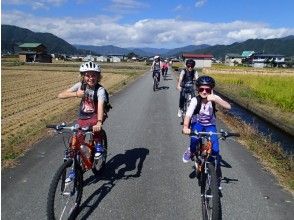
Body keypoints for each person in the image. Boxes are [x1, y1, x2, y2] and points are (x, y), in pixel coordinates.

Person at [182, 76, 231, 188]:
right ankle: (191, 150)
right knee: (194, 139)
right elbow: (188, 114)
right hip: (197, 124)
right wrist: (185, 126)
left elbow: (228, 107)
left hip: (210, 125)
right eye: (201, 89)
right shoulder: (195, 100)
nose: (204, 92)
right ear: (198, 89)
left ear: (211, 90)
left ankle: (215, 177)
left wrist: (215, 99)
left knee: (215, 150)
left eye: (207, 90)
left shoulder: (214, 98)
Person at [58, 61, 107, 164]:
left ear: (98, 76)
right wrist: (76, 94)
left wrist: (99, 122)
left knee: (94, 128)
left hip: (96, 114)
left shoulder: (100, 90)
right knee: (76, 139)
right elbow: (60, 95)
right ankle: (76, 160)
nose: (91, 78)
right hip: (83, 116)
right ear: (83, 76)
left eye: (93, 75)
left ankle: (98, 145)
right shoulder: (80, 85)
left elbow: (101, 106)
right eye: (87, 75)